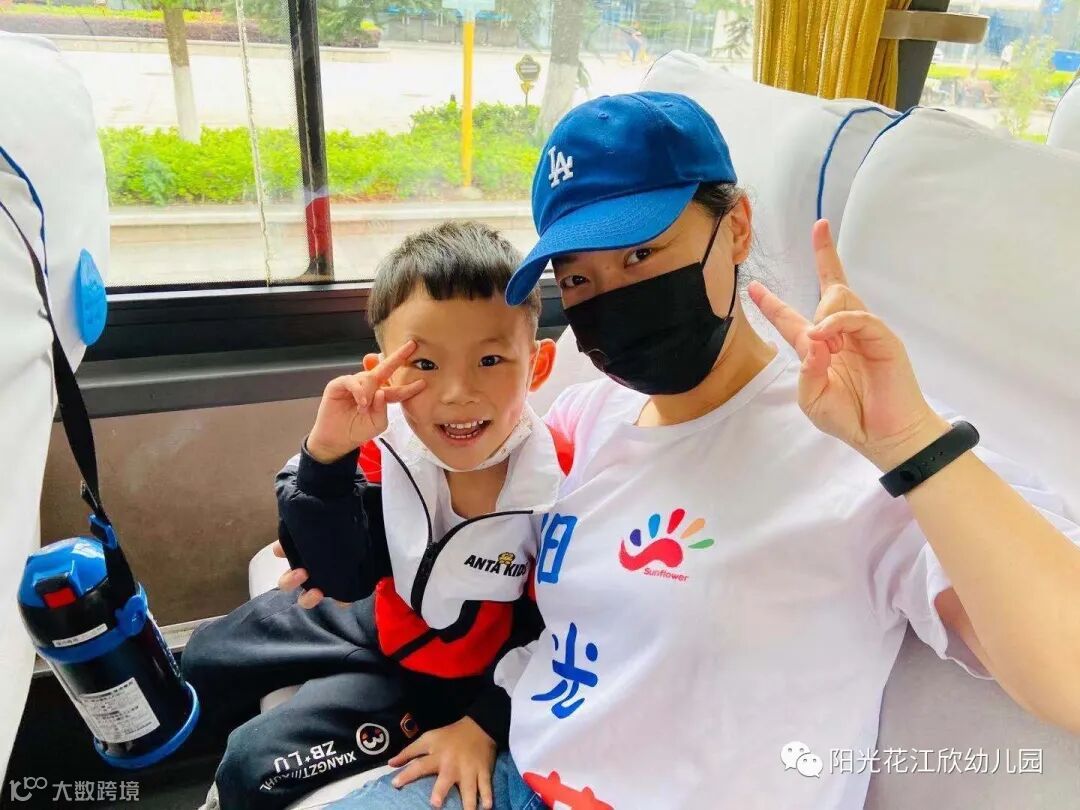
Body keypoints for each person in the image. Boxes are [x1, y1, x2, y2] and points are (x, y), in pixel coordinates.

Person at [330, 92, 1080, 810]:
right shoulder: (590, 416)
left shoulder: (858, 450)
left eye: (641, 254)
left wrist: (908, 440)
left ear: (738, 228)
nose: (613, 296)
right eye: (580, 277)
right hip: (517, 777)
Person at [181, 221, 567, 809]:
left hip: (450, 686)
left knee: (254, 766)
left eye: (490, 359)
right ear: (382, 370)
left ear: (536, 365)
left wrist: (485, 724)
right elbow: (340, 572)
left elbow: (565, 633)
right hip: (376, 614)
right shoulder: (385, 447)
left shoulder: (557, 485)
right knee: (206, 654)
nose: (457, 392)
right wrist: (325, 459)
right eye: (425, 365)